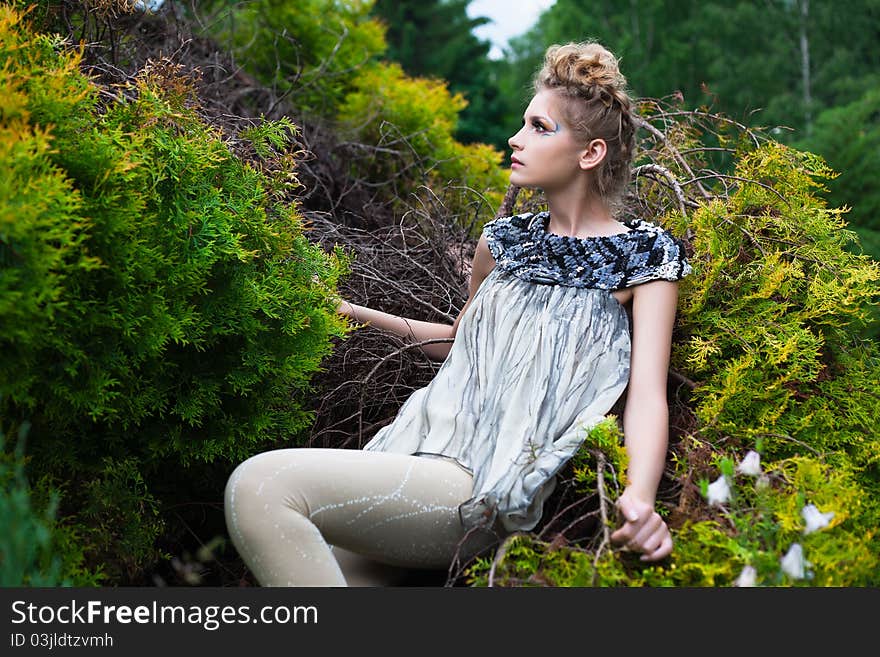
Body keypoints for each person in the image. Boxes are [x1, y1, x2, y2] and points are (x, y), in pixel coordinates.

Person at [223, 41, 693, 587]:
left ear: (590, 154)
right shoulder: (502, 244)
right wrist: (350, 311)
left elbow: (646, 395)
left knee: (259, 486)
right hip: (416, 458)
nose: (515, 139)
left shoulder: (645, 255)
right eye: (523, 123)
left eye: (540, 128)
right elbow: (458, 342)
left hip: (482, 486)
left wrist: (639, 500)